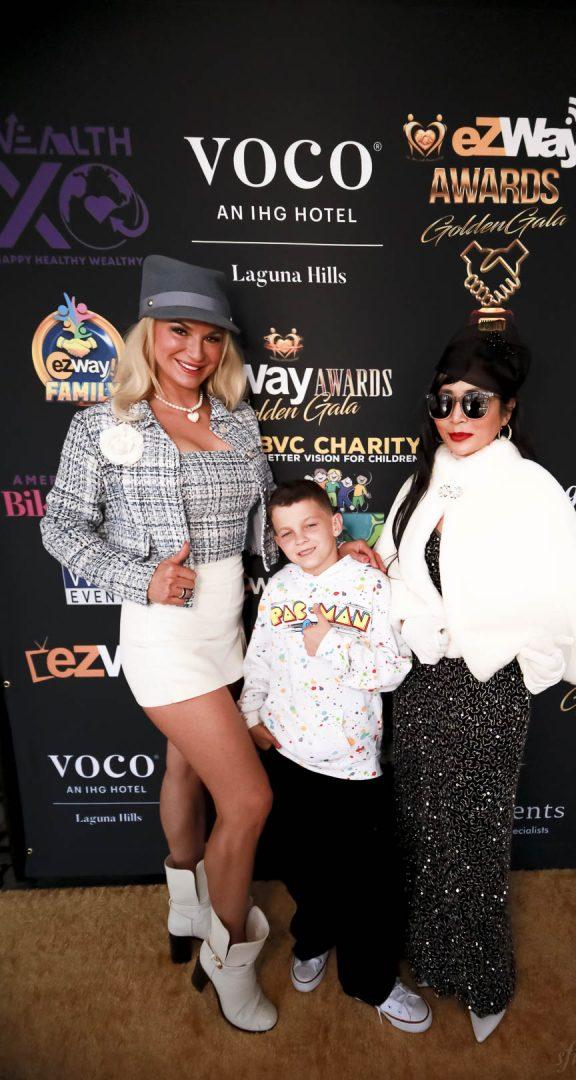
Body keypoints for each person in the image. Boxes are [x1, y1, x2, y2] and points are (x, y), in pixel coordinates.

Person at [40, 255, 381, 1034]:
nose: (194, 351)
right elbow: (60, 528)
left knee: (185, 768)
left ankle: (184, 908)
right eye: (177, 332)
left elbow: (266, 530)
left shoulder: (236, 420)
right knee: (250, 798)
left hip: (232, 629)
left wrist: (337, 556)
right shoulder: (101, 424)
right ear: (148, 335)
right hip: (164, 637)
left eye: (210, 337)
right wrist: (140, 577)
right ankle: (228, 963)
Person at [374, 310, 576, 1043]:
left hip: (487, 688)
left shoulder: (532, 488)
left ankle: (483, 975)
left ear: (507, 411)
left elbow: (562, 590)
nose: (456, 416)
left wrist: (498, 643)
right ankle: (430, 954)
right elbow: (393, 568)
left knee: (473, 836)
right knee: (420, 823)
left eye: (474, 403)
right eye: (443, 401)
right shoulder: (423, 481)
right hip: (420, 684)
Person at [239, 479, 433, 1033]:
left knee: (366, 884)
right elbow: (260, 658)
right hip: (288, 755)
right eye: (285, 533)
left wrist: (331, 642)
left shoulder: (370, 585)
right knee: (305, 867)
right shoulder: (279, 588)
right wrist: (250, 716)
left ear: (334, 524)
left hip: (352, 765)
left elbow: (393, 670)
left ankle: (373, 980)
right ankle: (313, 938)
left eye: (309, 526)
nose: (300, 540)